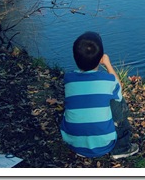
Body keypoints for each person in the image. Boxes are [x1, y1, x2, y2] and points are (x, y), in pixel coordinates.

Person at [60, 31, 139, 159]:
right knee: (118, 101)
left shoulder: (69, 79)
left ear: (75, 58)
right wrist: (108, 64)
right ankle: (121, 149)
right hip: (104, 144)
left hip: (73, 142)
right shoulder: (108, 80)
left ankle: (83, 141)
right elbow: (119, 86)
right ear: (101, 58)